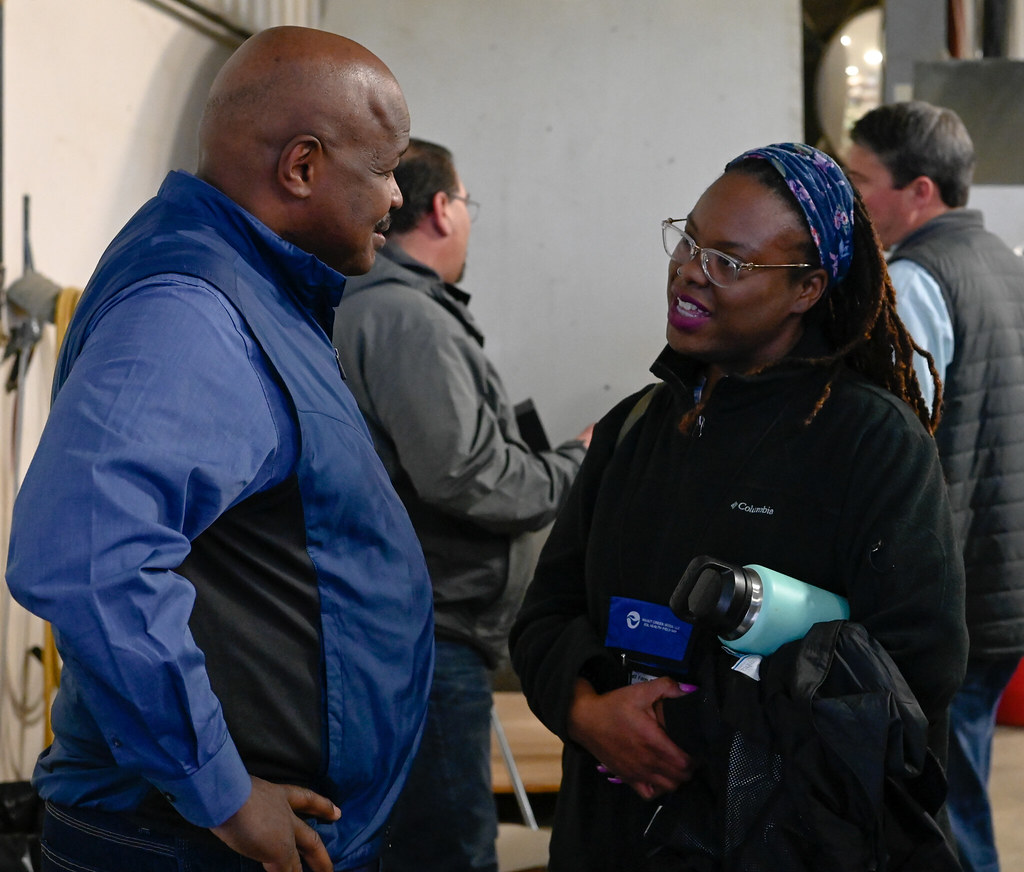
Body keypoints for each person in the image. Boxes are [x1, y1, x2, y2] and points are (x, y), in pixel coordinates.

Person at [5, 26, 434, 872]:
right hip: (180, 843)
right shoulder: (191, 311)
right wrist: (224, 793)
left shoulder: (258, 286)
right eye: (385, 168)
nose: (396, 198)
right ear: (302, 167)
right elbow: (88, 558)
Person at [509, 142, 968, 871]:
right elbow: (544, 616)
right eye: (688, 239)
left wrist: (688, 728)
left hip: (777, 841)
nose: (690, 269)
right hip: (608, 834)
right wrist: (589, 712)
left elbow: (915, 669)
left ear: (807, 289)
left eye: (730, 261)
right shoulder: (632, 429)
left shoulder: (868, 443)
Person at [332, 138, 591, 872]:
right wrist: (576, 462)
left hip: (417, 631)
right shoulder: (406, 319)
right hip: (428, 636)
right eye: (467, 202)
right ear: (442, 209)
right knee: (449, 850)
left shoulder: (378, 306)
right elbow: (467, 475)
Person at [846, 101, 1024, 872]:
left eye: (861, 181)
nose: (853, 202)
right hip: (1004, 581)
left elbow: (894, 451)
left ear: (920, 191)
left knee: (938, 811)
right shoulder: (1006, 266)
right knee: (960, 778)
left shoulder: (918, 281)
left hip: (950, 593)